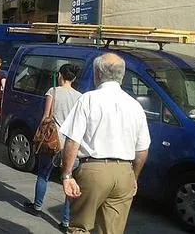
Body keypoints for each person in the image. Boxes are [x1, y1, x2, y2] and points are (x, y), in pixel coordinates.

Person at [59, 53, 151, 234]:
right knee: (111, 230)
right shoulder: (135, 106)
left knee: (80, 227)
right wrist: (134, 176)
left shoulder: (88, 99)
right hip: (124, 170)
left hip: (94, 170)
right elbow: (142, 150)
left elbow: (72, 141)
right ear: (122, 75)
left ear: (97, 73)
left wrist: (67, 175)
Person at [23, 64, 82, 230]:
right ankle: (66, 221)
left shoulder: (53, 91)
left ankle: (37, 206)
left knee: (43, 174)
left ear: (60, 76)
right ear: (74, 78)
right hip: (72, 144)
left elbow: (46, 117)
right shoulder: (80, 96)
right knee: (69, 180)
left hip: (52, 142)